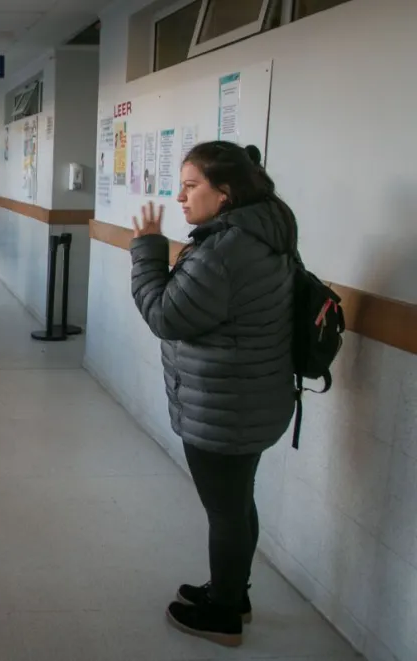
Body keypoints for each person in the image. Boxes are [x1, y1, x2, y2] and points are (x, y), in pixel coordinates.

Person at [130, 142, 296, 647]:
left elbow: (165, 315)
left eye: (191, 185)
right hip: (254, 398)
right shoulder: (266, 230)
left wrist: (148, 250)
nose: (181, 197)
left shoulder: (224, 250)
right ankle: (233, 591)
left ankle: (224, 613)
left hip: (225, 406)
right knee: (237, 502)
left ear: (224, 194)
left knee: (225, 510)